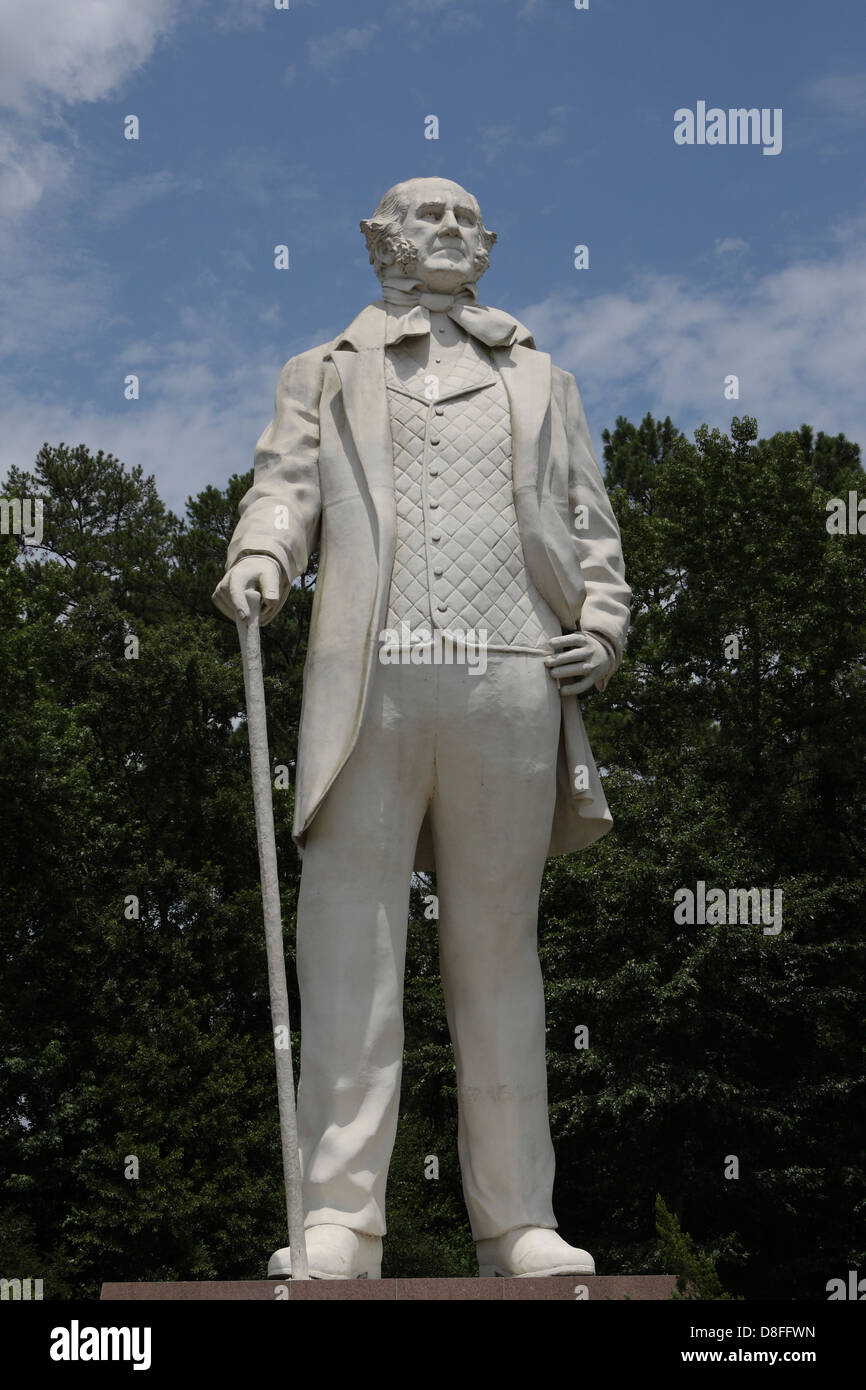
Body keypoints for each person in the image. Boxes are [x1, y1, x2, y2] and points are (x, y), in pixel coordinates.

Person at [213, 178, 631, 1279]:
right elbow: (283, 485)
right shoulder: (324, 369)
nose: (448, 230)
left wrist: (602, 622)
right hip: (371, 682)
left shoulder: (543, 376)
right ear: (380, 240)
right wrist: (261, 556)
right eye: (425, 216)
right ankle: (340, 1221)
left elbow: (590, 524)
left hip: (508, 677)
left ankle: (516, 1221)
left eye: (464, 218)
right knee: (349, 951)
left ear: (485, 244)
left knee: (496, 953)